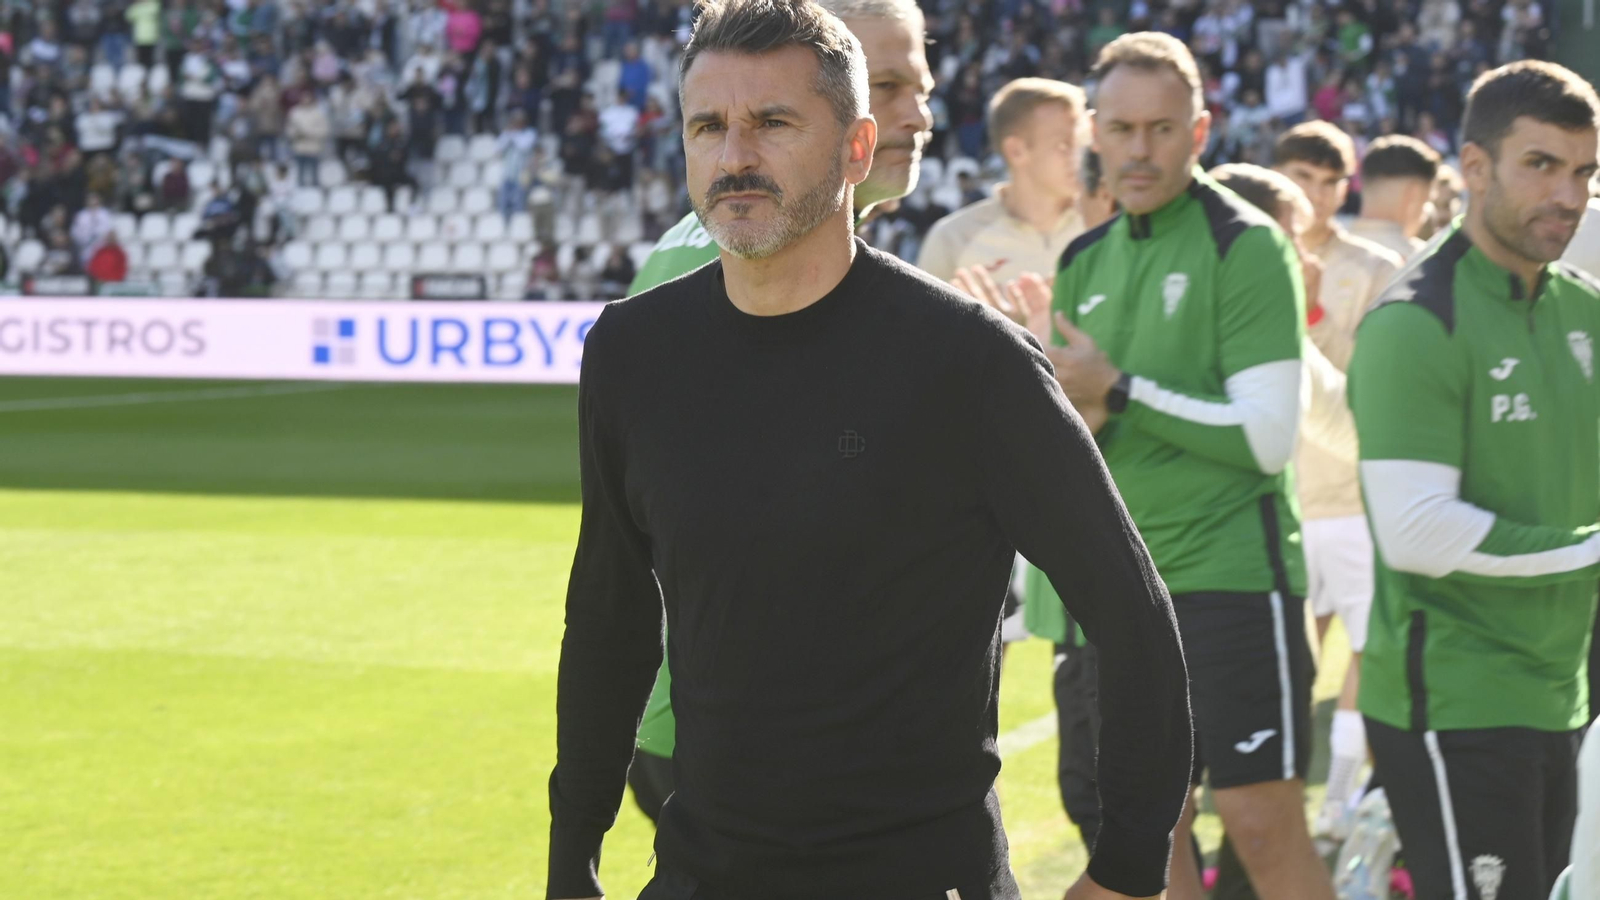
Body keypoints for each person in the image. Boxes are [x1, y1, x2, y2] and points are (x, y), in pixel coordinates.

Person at [547, 4, 1192, 900]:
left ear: (856, 148)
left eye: (773, 123)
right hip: (701, 874)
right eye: (709, 126)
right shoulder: (632, 351)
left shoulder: (971, 361)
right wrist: (572, 852)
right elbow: (610, 613)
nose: (735, 154)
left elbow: (1133, 615)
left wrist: (1126, 869)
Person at [619, 0, 938, 825]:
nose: (918, 114)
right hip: (741, 735)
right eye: (890, 84)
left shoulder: (793, 260)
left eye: (922, 86)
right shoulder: (725, 271)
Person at [1047, 32, 1333, 900]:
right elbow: (1080, 426)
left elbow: (1265, 438)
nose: (1140, 150)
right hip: (1118, 593)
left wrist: (1118, 390)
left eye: (1162, 129)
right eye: (1123, 128)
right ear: (1093, 129)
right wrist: (1077, 411)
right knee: (1145, 836)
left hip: (1232, 581)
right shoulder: (1081, 261)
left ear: (1200, 130)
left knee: (1260, 828)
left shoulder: (1244, 246)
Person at [1347, 60, 1600, 900]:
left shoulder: (1584, 309)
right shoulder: (1416, 319)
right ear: (1476, 168)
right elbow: (1420, 534)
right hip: (1454, 702)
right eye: (1542, 166)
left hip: (1560, 692)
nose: (1567, 194)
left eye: (1583, 171)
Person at [1271, 120, 1404, 839]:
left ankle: (1340, 804)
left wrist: (1314, 312)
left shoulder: (1376, 266)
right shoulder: (1255, 252)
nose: (1317, 194)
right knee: (1288, 667)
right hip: (1284, 496)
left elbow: (1379, 380)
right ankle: (1285, 812)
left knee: (1366, 655)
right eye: (1303, 176)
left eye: (1331, 180)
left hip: (1353, 497)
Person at [918, 77, 1087, 285]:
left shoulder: (1109, 225)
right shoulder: (951, 240)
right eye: (1063, 145)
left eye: (1080, 143)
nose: (1078, 155)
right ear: (1016, 151)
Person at [1349, 135, 1440, 262]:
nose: (1426, 212)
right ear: (1414, 193)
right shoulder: (1424, 262)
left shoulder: (1324, 249)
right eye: (1427, 201)